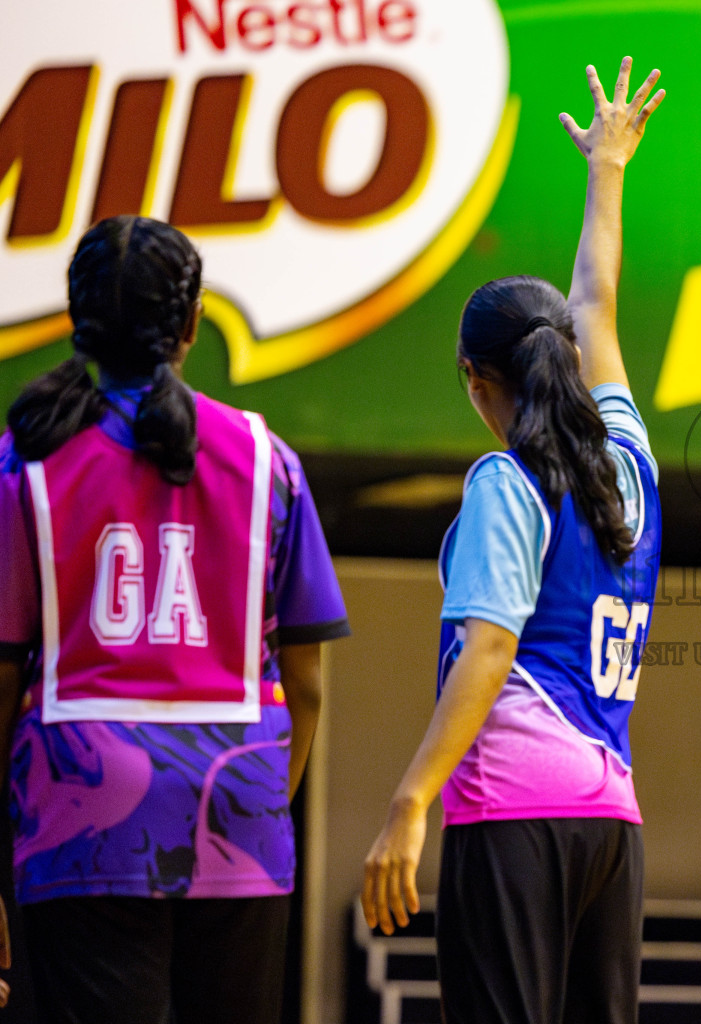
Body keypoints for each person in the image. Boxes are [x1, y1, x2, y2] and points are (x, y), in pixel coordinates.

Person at [360, 58, 665, 1024]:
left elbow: (491, 649)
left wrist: (412, 799)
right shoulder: (630, 458)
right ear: (568, 358)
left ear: (472, 379)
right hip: (611, 821)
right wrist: (607, 167)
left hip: (515, 811)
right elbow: (599, 298)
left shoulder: (506, 480)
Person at [0, 215, 350, 1023]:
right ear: (192, 325)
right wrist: (255, 799)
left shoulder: (27, 463)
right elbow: (307, 685)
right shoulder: (270, 460)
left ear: (76, 322)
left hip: (77, 818)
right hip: (241, 810)